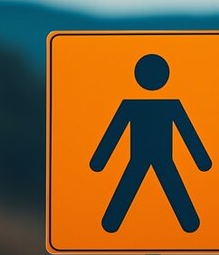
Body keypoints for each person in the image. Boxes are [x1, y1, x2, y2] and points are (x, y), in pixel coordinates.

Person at [90, 54, 211, 233]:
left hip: (149, 157)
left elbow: (113, 133)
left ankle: (110, 224)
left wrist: (99, 161)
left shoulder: (137, 106)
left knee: (137, 184)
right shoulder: (166, 106)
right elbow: (188, 133)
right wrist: (202, 161)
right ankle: (190, 224)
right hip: (152, 157)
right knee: (162, 184)